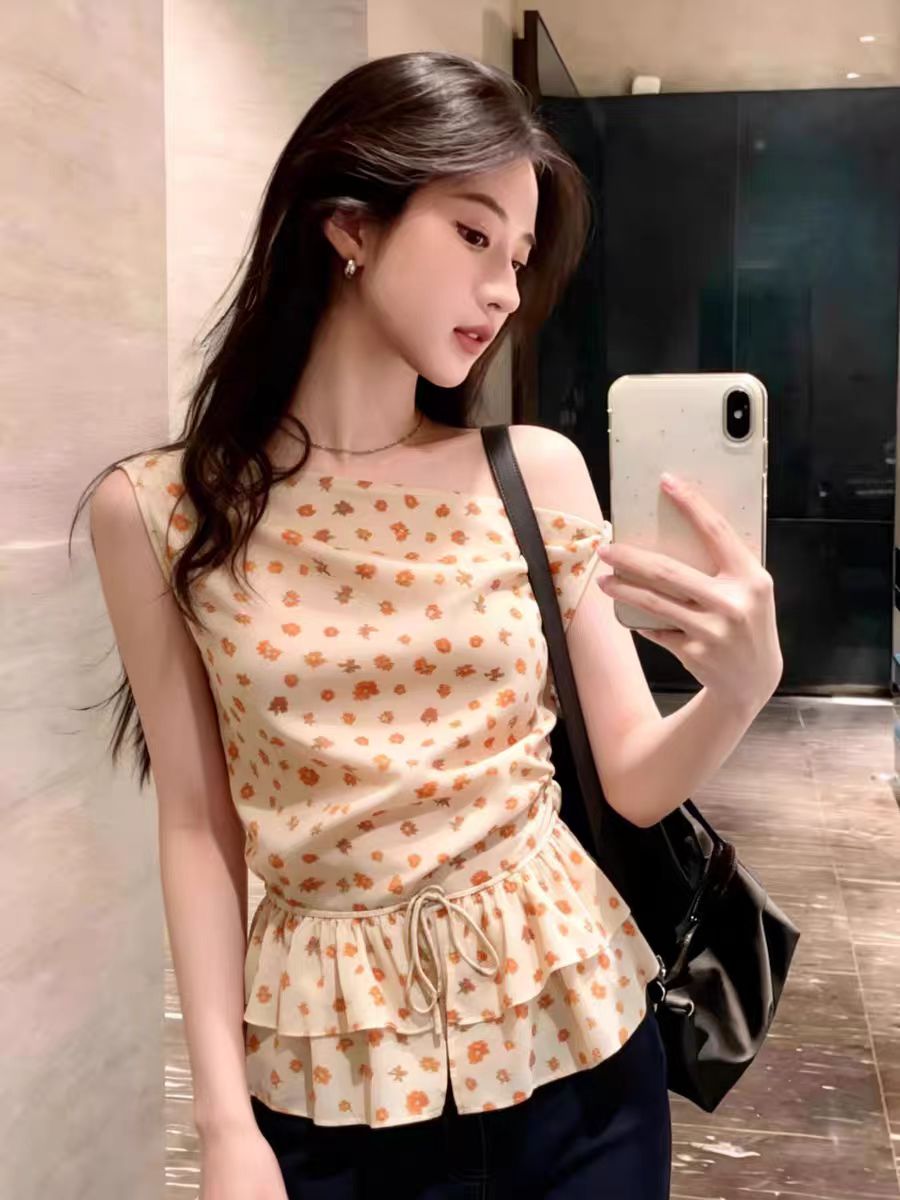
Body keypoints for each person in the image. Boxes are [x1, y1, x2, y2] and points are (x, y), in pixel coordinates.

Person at [77, 48, 780, 1200]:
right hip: (331, 1083)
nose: (504, 290)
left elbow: (635, 782)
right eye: (472, 235)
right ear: (349, 224)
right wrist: (222, 1125)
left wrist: (738, 692)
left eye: (519, 258)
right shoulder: (159, 511)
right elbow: (200, 828)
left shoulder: (534, 472)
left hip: (579, 1059)